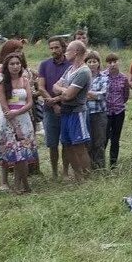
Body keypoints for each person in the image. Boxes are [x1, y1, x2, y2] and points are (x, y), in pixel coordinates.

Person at [0, 53, 38, 194]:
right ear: (7, 67)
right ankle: (23, 186)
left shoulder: (25, 81)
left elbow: (30, 102)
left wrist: (18, 112)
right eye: (12, 64)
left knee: (24, 155)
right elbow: (4, 107)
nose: (15, 66)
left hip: (24, 119)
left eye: (17, 64)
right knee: (16, 155)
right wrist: (15, 125)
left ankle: (20, 184)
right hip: (9, 123)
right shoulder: (3, 84)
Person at [51, 40, 92, 182]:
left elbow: (69, 95)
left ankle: (86, 177)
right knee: (67, 145)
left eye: (68, 50)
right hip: (65, 112)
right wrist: (64, 90)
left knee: (79, 146)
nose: (65, 52)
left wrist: (63, 92)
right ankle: (78, 177)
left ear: (76, 52)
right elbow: (55, 87)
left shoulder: (84, 71)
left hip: (77, 112)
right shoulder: (70, 69)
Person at [0, 39, 29, 190]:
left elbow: (28, 93)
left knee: (22, 146)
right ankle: (4, 180)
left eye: (20, 50)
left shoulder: (24, 71)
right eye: (16, 50)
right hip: (6, 110)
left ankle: (20, 180)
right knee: (6, 143)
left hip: (23, 111)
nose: (19, 53)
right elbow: (3, 94)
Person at [37, 37, 72, 178]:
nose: (54, 50)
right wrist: (53, 103)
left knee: (66, 142)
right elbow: (40, 87)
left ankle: (65, 172)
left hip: (67, 108)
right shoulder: (44, 65)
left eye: (56, 47)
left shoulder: (70, 65)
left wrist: (60, 103)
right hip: (49, 110)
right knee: (52, 143)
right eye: (51, 48)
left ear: (63, 48)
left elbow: (71, 88)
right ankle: (54, 172)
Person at [103, 53, 130, 168]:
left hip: (119, 111)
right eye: (110, 62)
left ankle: (113, 164)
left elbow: (126, 95)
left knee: (115, 138)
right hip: (105, 112)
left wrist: (119, 103)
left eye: (115, 62)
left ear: (119, 62)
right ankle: (100, 163)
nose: (113, 65)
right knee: (104, 138)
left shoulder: (123, 78)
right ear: (107, 64)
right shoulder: (103, 76)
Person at [84, 51, 109, 170]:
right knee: (87, 142)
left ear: (99, 63)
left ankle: (100, 168)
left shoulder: (104, 77)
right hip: (85, 113)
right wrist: (93, 95)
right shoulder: (83, 77)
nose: (92, 64)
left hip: (99, 113)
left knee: (99, 142)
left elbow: (103, 94)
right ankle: (89, 167)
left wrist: (87, 94)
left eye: (94, 61)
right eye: (89, 62)